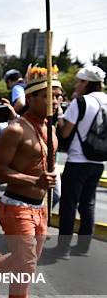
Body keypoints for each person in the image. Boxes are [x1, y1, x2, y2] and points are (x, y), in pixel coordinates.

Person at [0, 65, 61, 298]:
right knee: (26, 264)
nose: (55, 102)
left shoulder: (50, 127)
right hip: (15, 206)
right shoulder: (16, 129)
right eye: (48, 96)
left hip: (40, 207)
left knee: (24, 260)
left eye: (58, 96)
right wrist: (34, 179)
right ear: (30, 98)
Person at [51, 65, 107, 258]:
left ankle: (63, 249)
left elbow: (65, 132)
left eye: (79, 81)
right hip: (99, 162)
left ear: (86, 83)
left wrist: (59, 114)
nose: (76, 84)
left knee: (69, 204)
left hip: (77, 160)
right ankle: (83, 247)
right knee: (88, 203)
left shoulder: (80, 102)